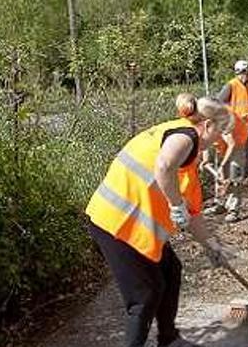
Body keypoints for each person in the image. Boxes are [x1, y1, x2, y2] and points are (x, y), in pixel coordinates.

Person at [84, 93, 237, 347]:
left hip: (134, 227)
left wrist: (212, 246)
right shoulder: (186, 136)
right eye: (219, 132)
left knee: (171, 270)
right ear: (207, 125)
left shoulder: (188, 156)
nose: (219, 140)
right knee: (144, 296)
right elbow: (164, 166)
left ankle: (169, 339)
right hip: (114, 224)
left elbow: (195, 215)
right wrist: (176, 205)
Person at [204, 102, 248, 223]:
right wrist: (206, 159)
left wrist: (223, 165)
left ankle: (234, 209)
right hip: (222, 143)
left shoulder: (225, 118)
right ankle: (219, 204)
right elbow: (205, 139)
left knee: (234, 174)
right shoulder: (203, 119)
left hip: (237, 141)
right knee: (220, 174)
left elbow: (232, 144)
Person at [218, 60, 248, 181]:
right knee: (240, 156)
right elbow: (218, 103)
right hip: (238, 127)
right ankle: (238, 181)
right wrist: (231, 116)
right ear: (243, 71)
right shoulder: (231, 86)